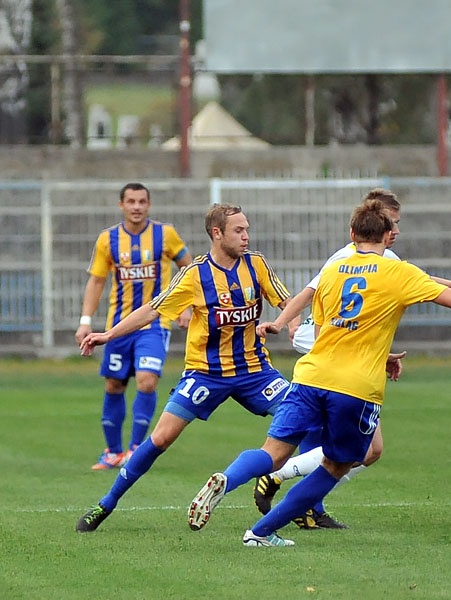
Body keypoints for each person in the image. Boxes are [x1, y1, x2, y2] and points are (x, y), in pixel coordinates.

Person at [186, 199, 451, 547]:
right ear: (387, 236)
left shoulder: (333, 270)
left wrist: (379, 349)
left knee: (273, 452)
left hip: (309, 375)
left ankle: (226, 477)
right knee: (338, 464)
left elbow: (329, 327)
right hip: (354, 387)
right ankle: (260, 532)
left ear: (352, 232)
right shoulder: (398, 272)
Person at [252, 188, 451, 529]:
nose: (397, 231)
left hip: (335, 352)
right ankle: (283, 482)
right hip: (329, 349)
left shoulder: (380, 258)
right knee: (359, 449)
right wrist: (283, 322)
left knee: (366, 449)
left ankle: (301, 499)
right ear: (378, 223)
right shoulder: (351, 258)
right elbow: (310, 291)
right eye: (393, 223)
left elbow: (422, 281)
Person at [75, 203, 299, 532]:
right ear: (217, 233)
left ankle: (297, 501)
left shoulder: (256, 264)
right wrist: (108, 334)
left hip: (255, 371)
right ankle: (106, 503)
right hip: (205, 373)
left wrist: (292, 322)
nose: (246, 236)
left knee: (303, 418)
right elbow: (152, 310)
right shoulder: (195, 275)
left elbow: (287, 300)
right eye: (239, 230)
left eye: (247, 229)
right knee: (162, 437)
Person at [74, 182, 192, 470]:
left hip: (155, 323)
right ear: (121, 205)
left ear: (149, 205)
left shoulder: (165, 235)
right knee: (115, 383)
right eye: (131, 201)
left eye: (142, 201)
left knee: (147, 380)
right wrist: (85, 321)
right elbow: (97, 280)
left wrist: (186, 306)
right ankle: (113, 452)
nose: (136, 206)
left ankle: (136, 449)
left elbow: (189, 268)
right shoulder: (108, 239)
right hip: (117, 325)